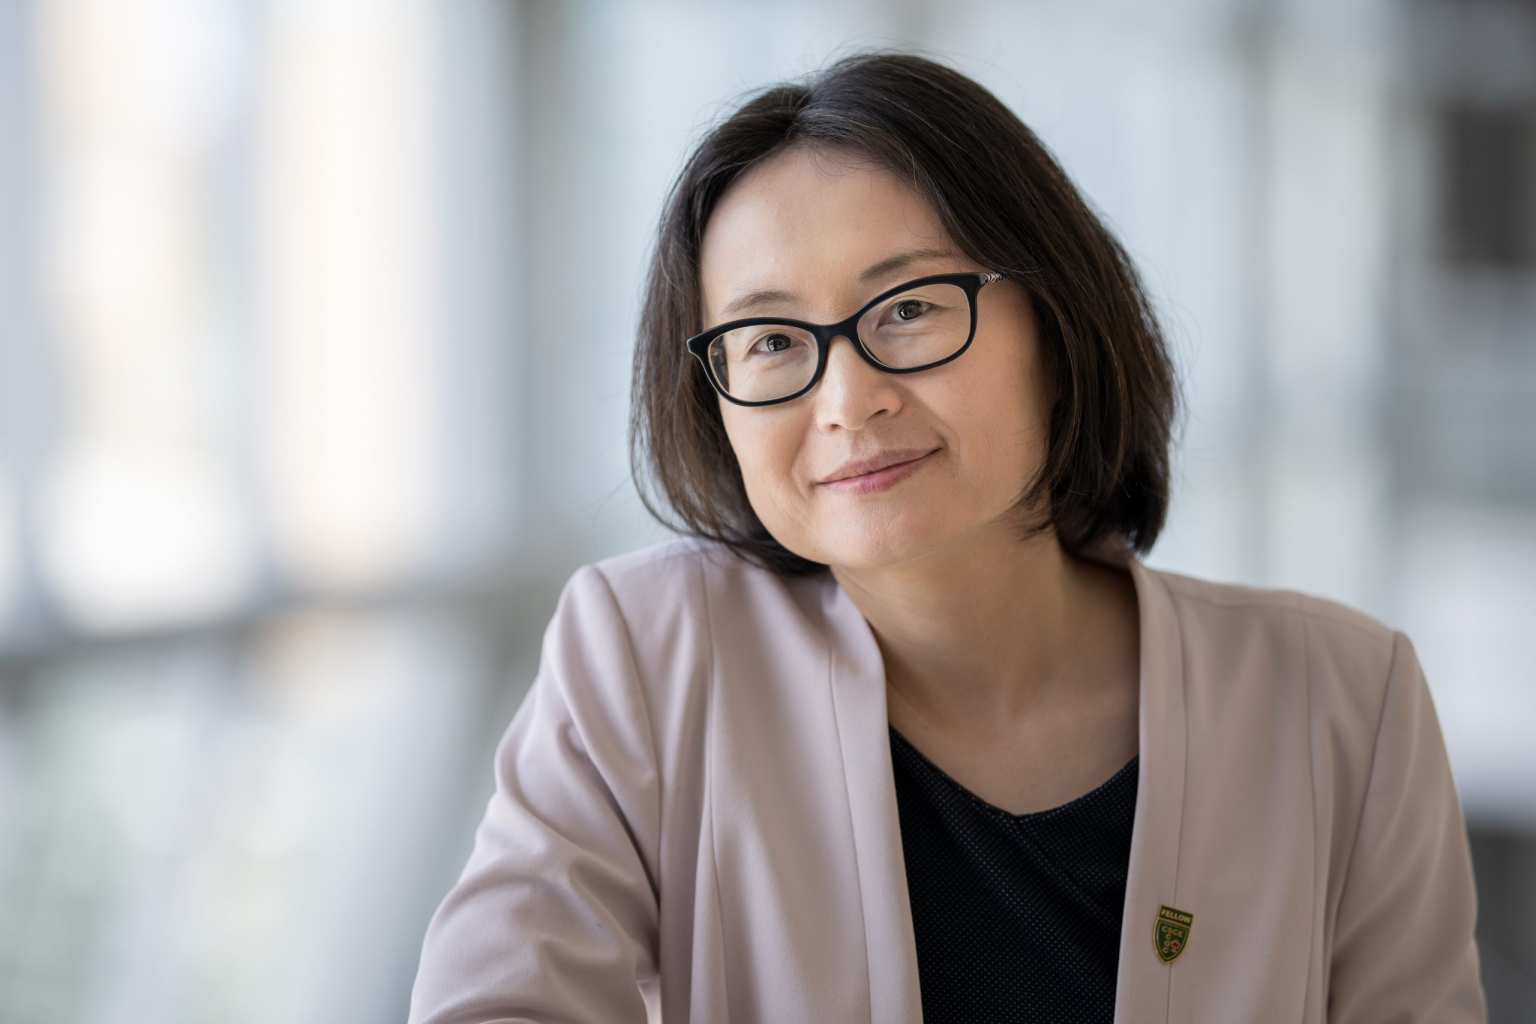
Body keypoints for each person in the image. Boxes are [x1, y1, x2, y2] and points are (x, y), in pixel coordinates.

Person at [407, 51, 1486, 1023]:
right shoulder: (646, 654)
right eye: (774, 339)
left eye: (911, 308)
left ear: (1055, 326)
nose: (847, 398)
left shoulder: (1343, 699)